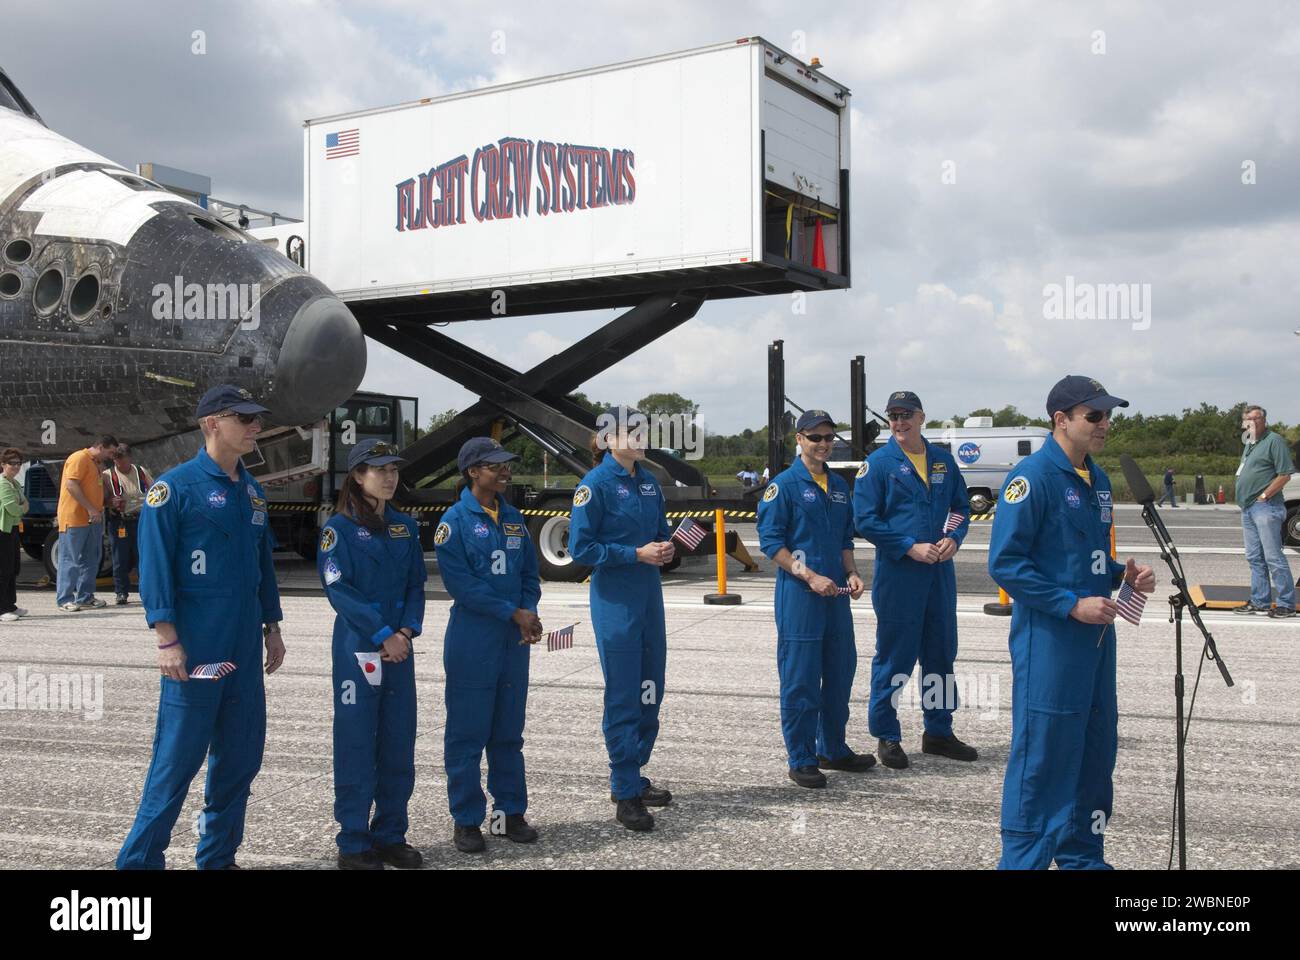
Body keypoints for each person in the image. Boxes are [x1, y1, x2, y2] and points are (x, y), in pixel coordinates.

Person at [988, 375, 1155, 869]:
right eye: (1094, 416)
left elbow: (1088, 557)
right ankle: (1023, 861)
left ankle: (1083, 856)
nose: (1105, 424)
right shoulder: (1032, 478)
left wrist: (1124, 577)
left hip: (1097, 639)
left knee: (1095, 748)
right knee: (1045, 756)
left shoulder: (1096, 478)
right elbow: (1008, 563)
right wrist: (1069, 603)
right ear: (1061, 420)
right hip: (1053, 640)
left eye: (1108, 415)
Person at [116, 385, 285, 870]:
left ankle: (218, 859)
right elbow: (154, 571)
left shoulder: (251, 489)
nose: (256, 427)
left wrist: (272, 624)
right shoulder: (173, 489)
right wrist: (166, 638)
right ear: (212, 422)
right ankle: (139, 865)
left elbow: (261, 565)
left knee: (240, 759)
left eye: (257, 419)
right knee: (176, 763)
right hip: (197, 646)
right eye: (245, 419)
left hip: (243, 645)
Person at [853, 391, 977, 770]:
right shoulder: (878, 464)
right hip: (900, 574)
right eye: (893, 415)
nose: (899, 422)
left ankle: (938, 731)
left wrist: (952, 539)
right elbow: (866, 520)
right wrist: (908, 547)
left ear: (922, 417)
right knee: (896, 657)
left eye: (906, 415)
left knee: (941, 655)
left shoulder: (942, 459)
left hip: (940, 571)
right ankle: (887, 735)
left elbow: (960, 506)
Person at [319, 438, 427, 869]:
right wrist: (383, 633)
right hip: (359, 651)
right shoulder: (338, 529)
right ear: (357, 476)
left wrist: (405, 630)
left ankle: (390, 834)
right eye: (378, 469)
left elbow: (416, 583)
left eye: (393, 469)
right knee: (357, 744)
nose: (388, 477)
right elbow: (338, 589)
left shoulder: (404, 526)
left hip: (400, 650)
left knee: (398, 744)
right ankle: (353, 842)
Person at [568, 406, 675, 831]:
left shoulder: (649, 483)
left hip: (649, 596)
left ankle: (633, 770)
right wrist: (634, 554)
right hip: (616, 601)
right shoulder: (593, 487)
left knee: (652, 687)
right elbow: (581, 549)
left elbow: (660, 531)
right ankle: (625, 788)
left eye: (642, 428)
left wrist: (665, 548)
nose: (640, 434)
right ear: (607, 440)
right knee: (624, 693)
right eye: (630, 430)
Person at [434, 437, 542, 853]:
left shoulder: (513, 518)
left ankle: (508, 812)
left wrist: (528, 611)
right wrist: (512, 613)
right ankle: (466, 820)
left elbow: (530, 576)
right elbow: (462, 586)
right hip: (473, 639)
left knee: (508, 732)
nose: (504, 471)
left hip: (513, 641)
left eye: (505, 464)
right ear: (473, 471)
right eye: (494, 465)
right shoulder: (455, 522)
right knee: (467, 733)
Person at [757, 410, 871, 789]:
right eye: (815, 437)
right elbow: (772, 543)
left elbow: (843, 540)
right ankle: (802, 756)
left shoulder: (839, 485)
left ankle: (833, 748)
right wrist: (808, 574)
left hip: (835, 596)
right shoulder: (784, 485)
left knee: (840, 673)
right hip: (801, 596)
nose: (824, 444)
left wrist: (852, 572)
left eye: (829, 437)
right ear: (799, 440)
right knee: (801, 678)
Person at [1233, 406, 1295, 617]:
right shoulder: (1250, 442)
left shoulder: (1274, 441)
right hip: (1248, 508)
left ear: (1264, 420)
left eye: (1256, 418)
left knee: (1272, 557)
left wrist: (1264, 495)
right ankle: (1260, 601)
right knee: (1254, 557)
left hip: (1265, 507)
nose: (1252, 422)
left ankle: (1286, 602)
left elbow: (1285, 473)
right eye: (1248, 419)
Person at [55, 435, 118, 612]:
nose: (111, 456)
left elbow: (92, 489)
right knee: (70, 559)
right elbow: (71, 485)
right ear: (100, 446)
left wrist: (106, 502)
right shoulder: (79, 458)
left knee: (91, 559)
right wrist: (91, 509)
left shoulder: (96, 463)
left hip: (93, 519)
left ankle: (85, 596)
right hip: (75, 518)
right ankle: (65, 599)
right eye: (110, 452)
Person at [102, 444, 154, 605]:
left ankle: (146, 591)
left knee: (142, 557)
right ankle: (121, 592)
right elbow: (101, 500)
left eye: (123, 462)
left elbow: (154, 491)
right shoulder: (106, 475)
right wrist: (111, 501)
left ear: (129, 458)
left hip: (140, 520)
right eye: (117, 462)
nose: (121, 466)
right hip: (119, 522)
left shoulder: (141, 471)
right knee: (120, 559)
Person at [0, 449, 29, 623]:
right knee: (3, 570)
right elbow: (13, 507)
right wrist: (21, 509)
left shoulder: (15, 483)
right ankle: (2, 608)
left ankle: (10, 604)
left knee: (12, 568)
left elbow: (26, 502)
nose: (16, 466)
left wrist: (21, 507)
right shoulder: (3, 483)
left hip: (12, 529)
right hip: (2, 530)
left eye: (19, 463)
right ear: (3, 464)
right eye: (12, 463)